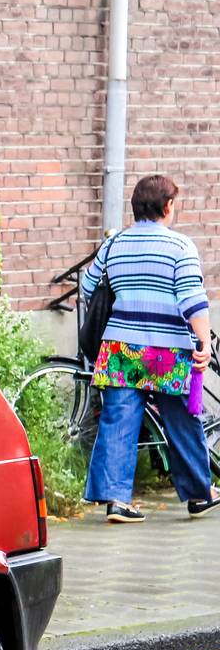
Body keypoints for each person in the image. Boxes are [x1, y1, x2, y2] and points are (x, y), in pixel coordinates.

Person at [82, 175, 217, 523]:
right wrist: (203, 341)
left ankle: (116, 500)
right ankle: (199, 495)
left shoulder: (114, 245)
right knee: (184, 421)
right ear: (167, 206)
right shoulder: (179, 247)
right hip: (168, 351)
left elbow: (87, 286)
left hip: (121, 348)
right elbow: (192, 298)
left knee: (118, 422)